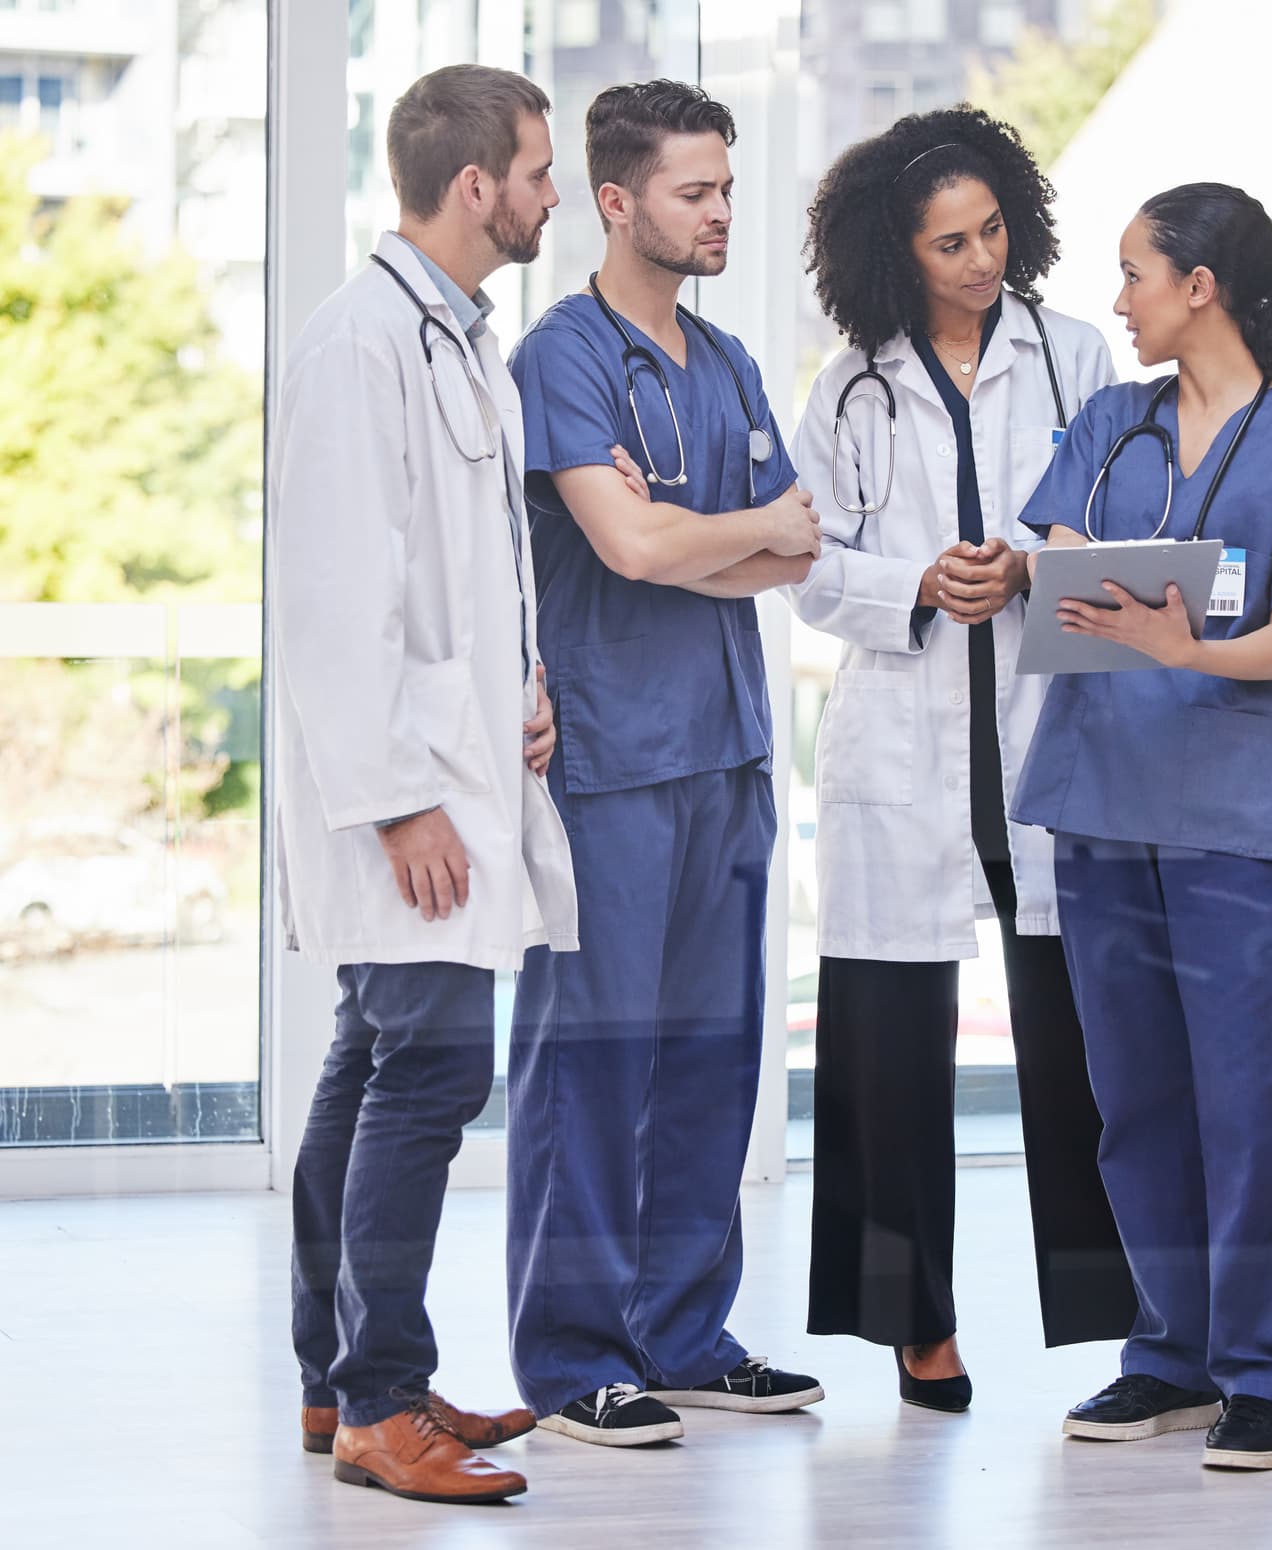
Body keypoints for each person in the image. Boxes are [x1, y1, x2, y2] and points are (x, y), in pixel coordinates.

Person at [1009, 184, 1272, 1470]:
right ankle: (1165, 1355)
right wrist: (1081, 597)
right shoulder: (1113, 425)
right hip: (1101, 804)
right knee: (1137, 1104)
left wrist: (1180, 640)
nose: (1116, 302)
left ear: (1201, 284)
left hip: (1231, 820)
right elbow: (1060, 574)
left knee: (1245, 1101)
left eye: (1133, 275)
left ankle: (1264, 1374)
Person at [785, 107, 1136, 1413]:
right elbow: (806, 568)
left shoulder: (1079, 356)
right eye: (949, 242)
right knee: (888, 1050)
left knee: (1083, 1036)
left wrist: (1032, 566)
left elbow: (1130, 531)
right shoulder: (849, 384)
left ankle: (1124, 1311)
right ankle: (915, 1322)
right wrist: (915, 582)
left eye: (992, 231)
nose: (980, 260)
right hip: (906, 745)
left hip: (1045, 741)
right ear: (898, 249)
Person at [504, 79, 824, 1449]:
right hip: (612, 762)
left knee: (710, 1057)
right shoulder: (562, 357)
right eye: (696, 193)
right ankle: (575, 1356)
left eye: (728, 190)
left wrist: (702, 526)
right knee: (591, 1060)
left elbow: (794, 548)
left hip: (731, 752)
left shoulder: (733, 357)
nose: (721, 215)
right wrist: (727, 528)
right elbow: (632, 551)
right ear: (618, 200)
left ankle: (685, 1334)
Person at [276, 64, 574, 1506]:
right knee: (431, 1070)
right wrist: (401, 796)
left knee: (370, 1064)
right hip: (402, 807)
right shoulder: (362, 345)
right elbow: (338, 594)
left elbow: (451, 573)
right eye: (537, 169)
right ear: (476, 188)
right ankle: (383, 1398)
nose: (551, 193)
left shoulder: (452, 338)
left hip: (452, 770)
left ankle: (346, 1377)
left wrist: (514, 693)